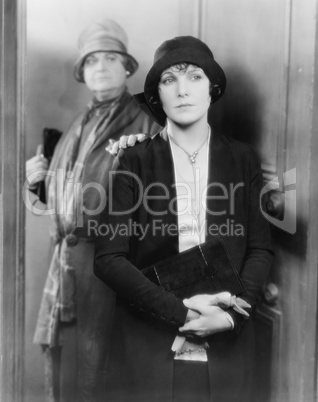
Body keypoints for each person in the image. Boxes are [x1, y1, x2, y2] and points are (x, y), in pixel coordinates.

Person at [94, 35, 273, 402]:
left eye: (194, 77)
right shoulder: (133, 160)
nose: (182, 90)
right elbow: (109, 259)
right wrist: (181, 313)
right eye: (169, 79)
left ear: (212, 89)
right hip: (148, 339)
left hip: (227, 343)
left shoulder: (242, 159)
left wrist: (231, 317)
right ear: (157, 96)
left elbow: (260, 249)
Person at [26, 18, 160, 402]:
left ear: (127, 68)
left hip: (110, 264)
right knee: (70, 365)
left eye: (110, 58)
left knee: (102, 368)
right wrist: (39, 180)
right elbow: (61, 199)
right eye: (92, 61)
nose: (100, 67)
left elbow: (155, 208)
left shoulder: (144, 124)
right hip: (69, 263)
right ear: (83, 72)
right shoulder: (79, 124)